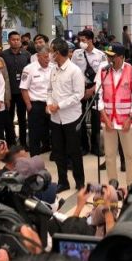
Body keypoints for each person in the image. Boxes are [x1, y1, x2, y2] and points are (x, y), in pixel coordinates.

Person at [96, 42, 132, 186]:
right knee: (109, 156)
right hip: (108, 120)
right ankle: (112, 186)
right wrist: (104, 116)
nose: (110, 59)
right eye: (108, 56)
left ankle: (130, 186)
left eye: (113, 56)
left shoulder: (131, 71)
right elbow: (99, 95)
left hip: (126, 121)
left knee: (129, 155)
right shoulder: (103, 71)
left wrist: (130, 118)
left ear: (122, 57)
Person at [47, 38, 85, 192]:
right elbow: (49, 90)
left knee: (74, 152)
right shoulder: (53, 69)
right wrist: (49, 103)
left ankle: (80, 182)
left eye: (51, 51)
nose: (49, 54)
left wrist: (60, 105)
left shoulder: (74, 70)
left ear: (58, 53)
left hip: (71, 118)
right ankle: (63, 181)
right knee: (58, 151)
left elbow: (79, 95)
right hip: (55, 118)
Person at [72, 29, 107, 156]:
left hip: (95, 88)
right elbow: (73, 71)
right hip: (80, 87)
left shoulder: (100, 55)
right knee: (79, 117)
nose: (81, 43)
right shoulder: (77, 53)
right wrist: (81, 89)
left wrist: (92, 89)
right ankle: (84, 145)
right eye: (80, 40)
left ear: (91, 40)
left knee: (96, 118)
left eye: (83, 40)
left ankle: (96, 146)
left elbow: (104, 75)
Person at [20, 46, 53, 156]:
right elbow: (24, 88)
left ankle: (52, 151)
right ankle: (34, 155)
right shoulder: (29, 69)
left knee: (53, 130)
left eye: (49, 57)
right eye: (45, 57)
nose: (48, 60)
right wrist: (29, 105)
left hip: (50, 104)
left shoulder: (53, 68)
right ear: (38, 56)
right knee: (34, 132)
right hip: (36, 104)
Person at [2, 31, 32, 148]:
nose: (16, 41)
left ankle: (24, 143)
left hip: (22, 92)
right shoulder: (3, 55)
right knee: (8, 119)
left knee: (22, 118)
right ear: (9, 41)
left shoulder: (27, 55)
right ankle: (11, 142)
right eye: (13, 39)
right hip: (9, 92)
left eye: (18, 39)